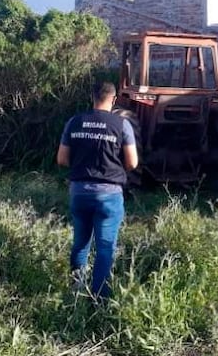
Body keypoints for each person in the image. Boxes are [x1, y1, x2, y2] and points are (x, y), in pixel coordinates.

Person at [56, 81, 138, 299]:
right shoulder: (122, 125)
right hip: (109, 196)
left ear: (92, 98)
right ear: (113, 100)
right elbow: (133, 163)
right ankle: (99, 298)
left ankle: (75, 290)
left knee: (81, 243)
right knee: (105, 248)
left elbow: (62, 159)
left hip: (79, 193)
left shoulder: (74, 122)